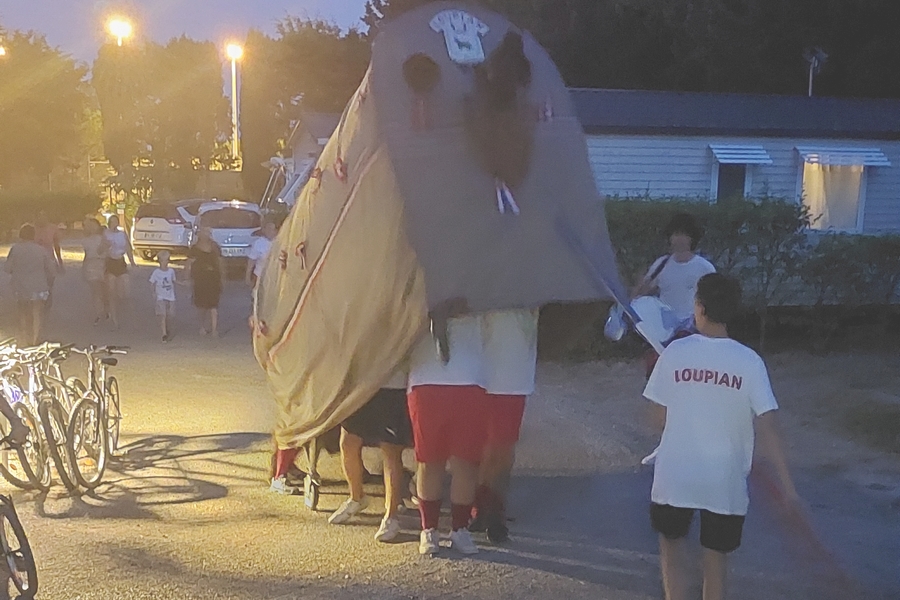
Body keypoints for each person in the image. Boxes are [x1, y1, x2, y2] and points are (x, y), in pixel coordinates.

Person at [643, 273, 800, 600]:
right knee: (715, 561)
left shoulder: (675, 353)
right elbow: (769, 425)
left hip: (676, 475)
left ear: (698, 307)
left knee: (672, 551)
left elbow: (656, 418)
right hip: (724, 481)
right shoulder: (749, 362)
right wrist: (788, 487)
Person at [407, 308, 488, 556]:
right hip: (425, 376)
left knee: (466, 462)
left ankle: (459, 529)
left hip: (470, 376)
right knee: (429, 461)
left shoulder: (482, 277)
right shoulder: (417, 275)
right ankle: (428, 529)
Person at [470, 308, 539, 544]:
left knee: (503, 448)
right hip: (483, 373)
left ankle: (495, 513)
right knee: (484, 448)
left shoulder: (534, 279)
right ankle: (480, 506)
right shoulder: (486, 278)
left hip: (515, 376)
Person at [327, 368, 413, 543]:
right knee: (348, 442)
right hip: (362, 384)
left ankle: (391, 516)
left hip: (393, 385)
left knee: (390, 450)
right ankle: (357, 498)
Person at [634, 212, 716, 328]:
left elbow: (713, 302)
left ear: (693, 239)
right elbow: (642, 293)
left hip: (693, 328)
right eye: (676, 234)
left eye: (684, 235)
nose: (679, 239)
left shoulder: (705, 267)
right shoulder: (661, 264)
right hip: (664, 328)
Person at [4, 225, 57, 345]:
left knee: (23, 311)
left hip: (20, 285)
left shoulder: (15, 249)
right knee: (37, 312)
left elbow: (7, 268)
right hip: (38, 285)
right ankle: (36, 338)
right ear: (33, 235)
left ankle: (24, 337)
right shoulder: (41, 250)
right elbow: (51, 269)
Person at [188, 227, 223, 337]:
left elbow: (220, 262)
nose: (206, 235)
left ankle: (214, 329)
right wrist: (187, 277)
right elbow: (189, 263)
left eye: (208, 233)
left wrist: (223, 277)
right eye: (204, 232)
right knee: (201, 306)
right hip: (200, 279)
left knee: (213, 305)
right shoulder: (194, 248)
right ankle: (202, 327)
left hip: (213, 278)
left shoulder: (215, 247)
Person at [103, 215, 136, 329]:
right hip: (110, 262)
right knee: (111, 293)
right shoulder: (105, 234)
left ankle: (128, 316)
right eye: (112, 222)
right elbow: (100, 249)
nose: (114, 224)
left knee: (125, 292)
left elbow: (128, 249)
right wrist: (104, 245)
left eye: (116, 221)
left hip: (120, 262)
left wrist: (132, 262)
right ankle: (114, 320)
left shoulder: (122, 234)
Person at [82, 217, 108, 325]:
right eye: (87, 226)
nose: (90, 228)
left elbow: (105, 252)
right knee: (96, 291)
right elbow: (86, 255)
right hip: (90, 265)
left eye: (92, 225)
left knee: (104, 291)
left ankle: (106, 310)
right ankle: (99, 313)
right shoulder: (85, 240)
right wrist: (84, 267)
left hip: (102, 264)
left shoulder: (103, 238)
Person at [149, 251, 179, 342]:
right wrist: (153, 292)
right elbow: (152, 283)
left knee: (171, 314)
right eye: (163, 261)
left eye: (167, 260)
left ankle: (167, 327)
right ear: (159, 261)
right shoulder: (156, 272)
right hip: (160, 295)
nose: (165, 263)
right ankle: (164, 333)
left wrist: (182, 283)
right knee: (163, 315)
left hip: (170, 295)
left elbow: (174, 281)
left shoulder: (171, 271)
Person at [246, 221, 277, 287]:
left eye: (272, 229)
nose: (270, 231)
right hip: (259, 277)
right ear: (264, 230)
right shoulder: (258, 243)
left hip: (275, 278)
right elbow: (251, 261)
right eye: (268, 229)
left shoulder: (279, 243)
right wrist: (248, 277)